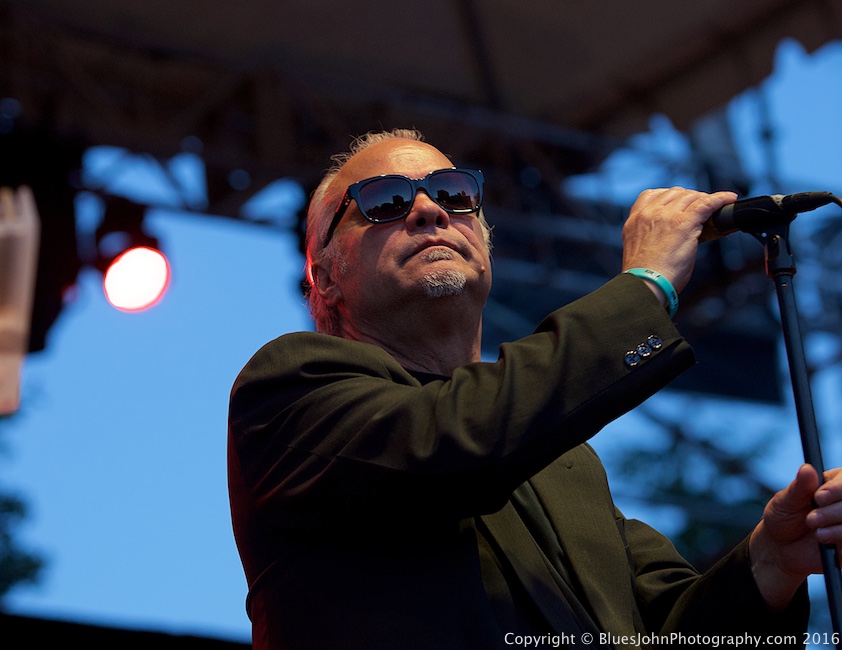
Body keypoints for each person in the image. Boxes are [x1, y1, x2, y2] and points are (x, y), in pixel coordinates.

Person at [228, 128, 842, 649]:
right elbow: (455, 442)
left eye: (454, 194)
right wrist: (645, 287)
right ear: (324, 274)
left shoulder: (567, 466)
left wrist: (772, 562)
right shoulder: (288, 390)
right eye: (384, 201)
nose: (429, 210)